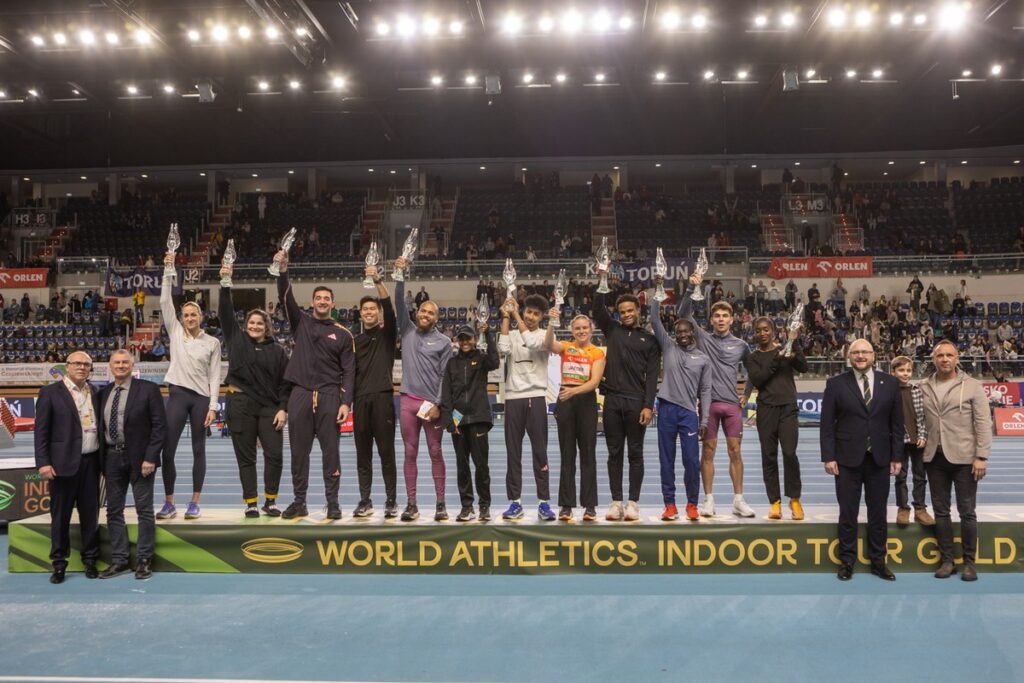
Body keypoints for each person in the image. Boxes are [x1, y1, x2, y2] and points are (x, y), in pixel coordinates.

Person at [274, 250, 355, 520]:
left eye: (327, 298)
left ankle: (332, 503)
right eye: (318, 298)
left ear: (333, 303)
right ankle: (300, 502)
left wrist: (346, 402)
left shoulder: (343, 334)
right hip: (300, 395)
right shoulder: (301, 324)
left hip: (331, 396)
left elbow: (349, 370)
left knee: (331, 452)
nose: (322, 301)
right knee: (299, 452)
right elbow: (285, 297)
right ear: (312, 302)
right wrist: (283, 270)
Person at [820, 339, 903, 581]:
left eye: (865, 351)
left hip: (880, 458)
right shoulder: (835, 384)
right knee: (848, 513)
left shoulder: (890, 383)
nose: (860, 356)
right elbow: (827, 425)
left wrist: (897, 455)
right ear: (849, 355)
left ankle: (878, 561)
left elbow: (897, 424)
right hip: (846, 459)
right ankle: (847, 562)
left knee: (878, 513)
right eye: (855, 352)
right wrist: (829, 456)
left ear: (874, 355)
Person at [679, 272, 755, 518]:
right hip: (708, 405)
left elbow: (755, 370)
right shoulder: (702, 337)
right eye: (717, 316)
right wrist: (692, 287)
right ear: (711, 319)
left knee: (735, 452)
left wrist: (748, 394)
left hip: (732, 405)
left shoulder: (741, 345)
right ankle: (708, 500)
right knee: (708, 451)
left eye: (725, 316)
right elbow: (683, 314)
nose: (721, 319)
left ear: (732, 319)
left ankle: (738, 500)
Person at [219, 264, 290, 518]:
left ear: (267, 326)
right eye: (251, 322)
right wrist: (225, 281)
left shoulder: (278, 350)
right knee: (246, 458)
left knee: (275, 455)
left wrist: (283, 408)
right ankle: (251, 502)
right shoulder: (236, 340)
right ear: (246, 324)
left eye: (260, 323)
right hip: (240, 406)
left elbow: (285, 383)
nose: (256, 326)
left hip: (269, 408)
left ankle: (270, 501)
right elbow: (225, 312)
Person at [157, 254, 222, 521]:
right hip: (178, 395)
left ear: (201, 316)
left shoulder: (212, 342)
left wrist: (213, 406)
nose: (190, 317)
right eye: (186, 314)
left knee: (199, 450)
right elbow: (163, 301)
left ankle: (195, 502)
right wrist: (168, 269)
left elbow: (216, 376)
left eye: (194, 314)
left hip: (201, 400)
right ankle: (169, 502)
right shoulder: (175, 332)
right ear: (181, 318)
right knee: (167, 450)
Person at [920, 341, 992, 581]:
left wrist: (981, 456)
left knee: (967, 512)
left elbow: (983, 423)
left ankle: (969, 562)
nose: (944, 359)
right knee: (941, 512)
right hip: (934, 458)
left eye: (949, 355)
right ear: (933, 359)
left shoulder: (972, 386)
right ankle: (947, 560)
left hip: (964, 458)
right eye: (940, 355)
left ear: (957, 358)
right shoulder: (924, 386)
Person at [592, 281, 660, 521]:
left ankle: (633, 502)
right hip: (611, 401)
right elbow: (596, 309)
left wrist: (648, 405)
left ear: (638, 311)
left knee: (635, 453)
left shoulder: (650, 341)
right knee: (614, 453)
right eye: (622, 312)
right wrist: (601, 280)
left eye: (631, 311)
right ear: (618, 314)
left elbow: (652, 377)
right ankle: (616, 502)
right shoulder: (612, 330)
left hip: (636, 403)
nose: (627, 315)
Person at [98, 350, 166, 581]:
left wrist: (150, 457)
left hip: (140, 459)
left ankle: (144, 560)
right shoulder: (103, 393)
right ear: (110, 366)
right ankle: (120, 560)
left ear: (132, 364)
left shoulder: (148, 389)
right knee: (113, 510)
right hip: (111, 458)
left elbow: (159, 427)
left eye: (125, 362)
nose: (120, 365)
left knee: (144, 510)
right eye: (116, 362)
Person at [34, 351, 102, 584]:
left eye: (86, 364)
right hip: (61, 464)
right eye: (77, 363)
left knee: (90, 516)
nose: (82, 367)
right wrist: (43, 462)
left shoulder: (96, 392)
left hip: (91, 462)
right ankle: (59, 563)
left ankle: (90, 560)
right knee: (60, 516)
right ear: (67, 366)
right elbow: (41, 432)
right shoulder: (49, 393)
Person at [394, 257, 452, 522]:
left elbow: (445, 377)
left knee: (436, 452)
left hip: (431, 405)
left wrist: (438, 404)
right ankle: (411, 503)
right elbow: (397, 303)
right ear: (417, 312)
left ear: (437, 318)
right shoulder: (406, 331)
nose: (425, 315)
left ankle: (441, 503)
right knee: (409, 451)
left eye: (431, 313)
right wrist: (400, 274)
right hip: (407, 401)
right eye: (422, 311)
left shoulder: (444, 342)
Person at [651, 291, 711, 522]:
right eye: (678, 332)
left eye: (686, 331)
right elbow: (655, 319)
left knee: (691, 460)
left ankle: (692, 504)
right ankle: (670, 505)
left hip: (688, 414)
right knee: (666, 460)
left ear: (693, 333)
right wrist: (658, 292)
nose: (682, 334)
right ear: (674, 335)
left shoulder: (703, 359)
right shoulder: (669, 347)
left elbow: (705, 391)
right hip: (666, 409)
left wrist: (704, 420)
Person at [544, 309, 606, 522]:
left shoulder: (597, 352)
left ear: (591, 330)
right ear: (571, 330)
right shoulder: (565, 347)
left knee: (588, 455)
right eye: (577, 328)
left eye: (584, 328)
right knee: (567, 455)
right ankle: (566, 506)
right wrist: (552, 321)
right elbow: (547, 345)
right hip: (566, 403)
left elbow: (595, 382)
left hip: (585, 400)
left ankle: (590, 506)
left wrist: (573, 391)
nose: (581, 331)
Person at [498, 294, 556, 521]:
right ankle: (515, 502)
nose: (531, 317)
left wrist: (513, 314)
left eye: (535, 313)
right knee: (513, 453)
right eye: (528, 312)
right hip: (513, 399)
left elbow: (532, 343)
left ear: (542, 317)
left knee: (540, 452)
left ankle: (544, 502)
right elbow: (503, 349)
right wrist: (505, 316)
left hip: (537, 397)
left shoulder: (544, 335)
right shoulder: (511, 334)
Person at [745, 317, 807, 520]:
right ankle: (775, 502)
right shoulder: (753, 358)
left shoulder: (786, 349)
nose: (762, 333)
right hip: (766, 410)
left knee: (790, 453)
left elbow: (803, 366)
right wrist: (778, 358)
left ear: (773, 331)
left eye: (766, 329)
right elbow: (759, 379)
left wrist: (794, 341)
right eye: (758, 330)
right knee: (769, 456)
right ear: (754, 333)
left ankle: (795, 500)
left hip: (788, 408)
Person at [352, 264, 399, 519]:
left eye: (373, 309)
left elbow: (390, 308)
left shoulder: (387, 335)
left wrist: (378, 280)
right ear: (361, 314)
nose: (369, 312)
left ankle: (391, 500)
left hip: (382, 398)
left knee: (386, 453)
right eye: (365, 309)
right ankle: (365, 500)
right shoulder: (354, 341)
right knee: (363, 456)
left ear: (379, 313)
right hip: (359, 401)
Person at [440, 323, 499, 522]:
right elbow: (446, 394)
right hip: (459, 422)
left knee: (481, 465)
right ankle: (467, 506)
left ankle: (484, 506)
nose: (465, 342)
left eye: (468, 338)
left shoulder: (481, 359)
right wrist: (448, 421)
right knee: (462, 466)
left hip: (479, 420)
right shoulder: (451, 364)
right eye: (461, 338)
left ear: (474, 339)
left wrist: (487, 332)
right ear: (456, 340)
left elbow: (495, 361)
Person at [890, 355, 935, 527]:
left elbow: (922, 417)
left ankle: (920, 508)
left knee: (920, 476)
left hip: (918, 442)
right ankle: (903, 508)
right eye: (901, 370)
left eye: (908, 370)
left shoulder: (917, 390)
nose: (906, 374)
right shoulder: (889, 392)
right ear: (893, 372)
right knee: (900, 477)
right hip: (899, 442)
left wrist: (923, 436)